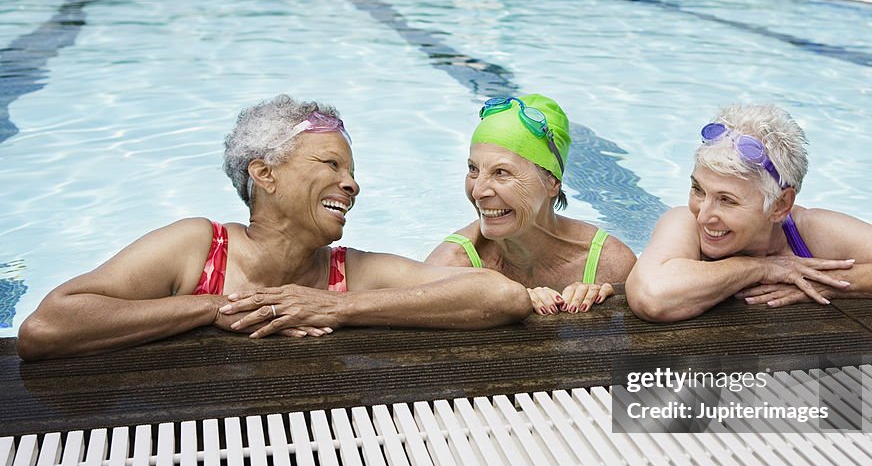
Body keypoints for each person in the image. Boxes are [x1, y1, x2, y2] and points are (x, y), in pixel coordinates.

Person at [17, 95, 532, 360]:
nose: (351, 185)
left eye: (352, 173)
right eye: (331, 165)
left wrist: (336, 306)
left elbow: (502, 297)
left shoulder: (349, 272)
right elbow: (47, 328)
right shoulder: (198, 247)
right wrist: (211, 307)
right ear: (263, 173)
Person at [626, 104, 872, 322]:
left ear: (780, 205)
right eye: (698, 189)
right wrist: (762, 268)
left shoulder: (810, 231)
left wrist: (831, 283)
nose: (705, 214)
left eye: (727, 200)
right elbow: (653, 297)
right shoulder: (683, 223)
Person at [426, 94, 635, 315]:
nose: (478, 191)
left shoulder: (609, 264)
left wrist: (603, 308)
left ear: (552, 183)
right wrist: (504, 298)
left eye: (501, 173)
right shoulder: (451, 263)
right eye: (473, 169)